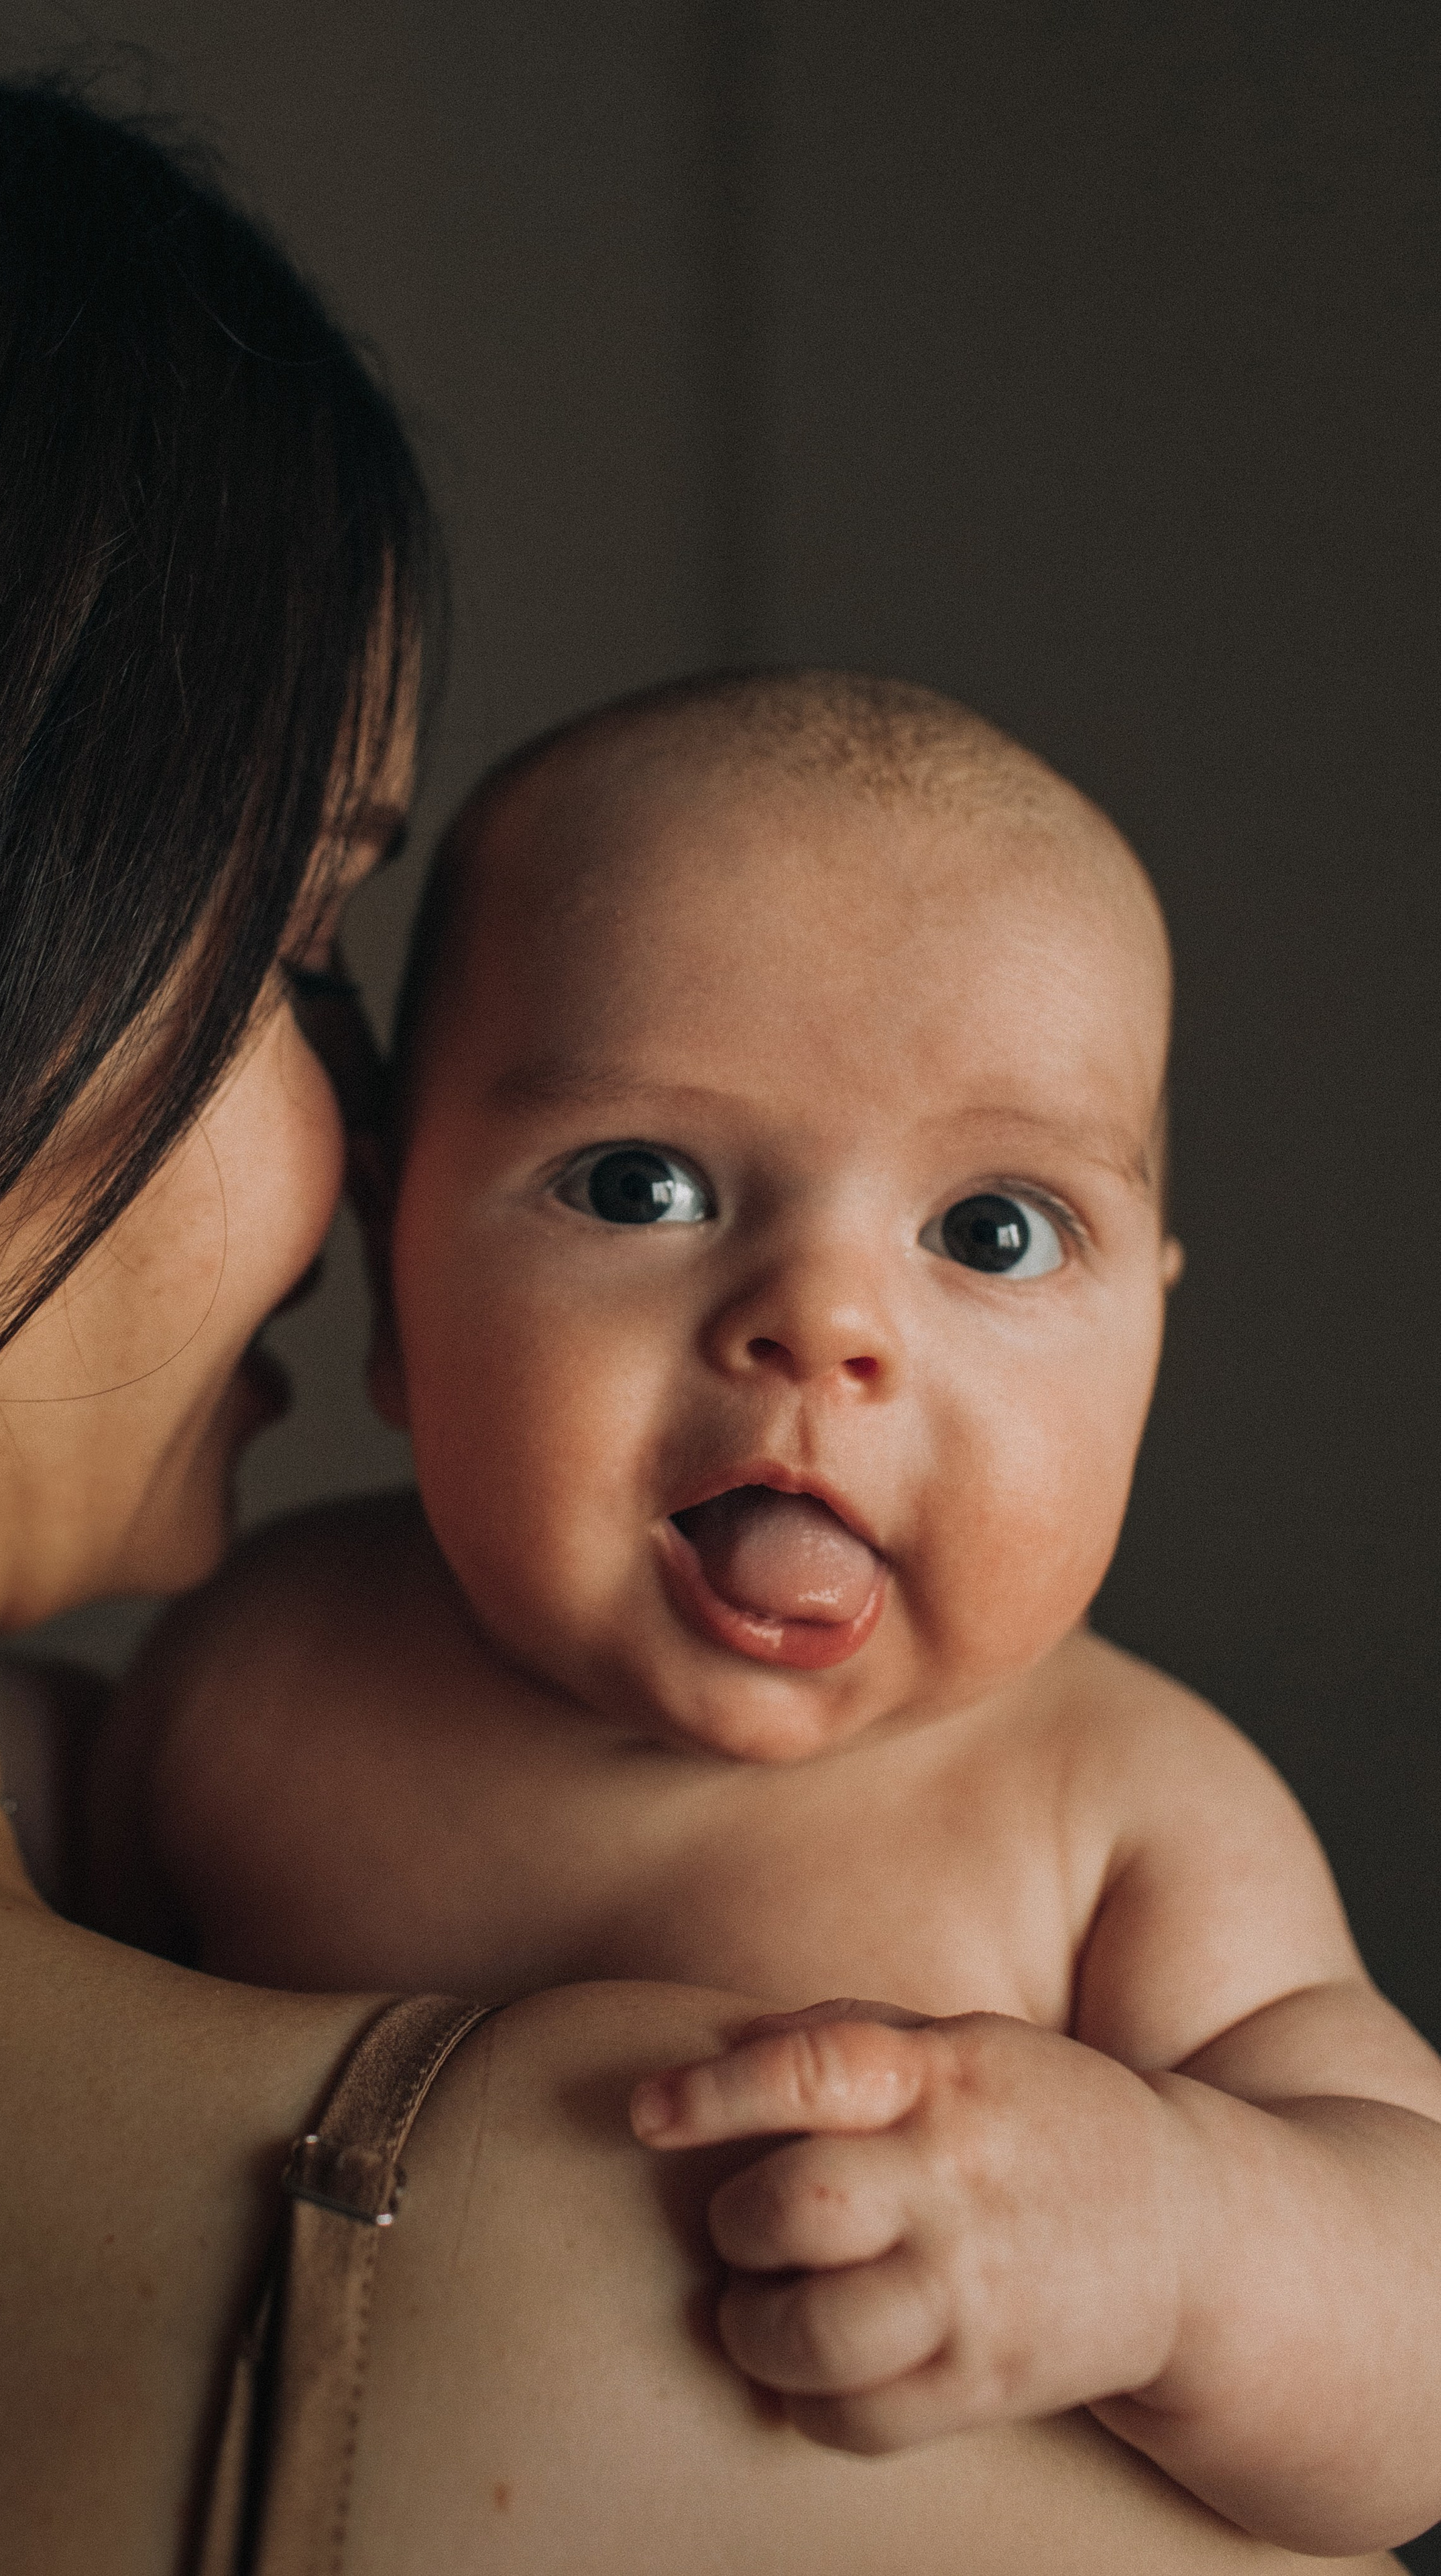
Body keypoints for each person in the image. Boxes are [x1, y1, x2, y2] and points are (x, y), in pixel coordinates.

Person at [112, 671, 1441, 2561]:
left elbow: (1422, 2331)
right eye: (641, 1183)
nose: (821, 1322)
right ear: (399, 1277)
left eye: (993, 1230)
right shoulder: (249, 1675)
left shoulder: (1118, 1818)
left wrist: (1185, 2229)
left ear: (1149, 1330)